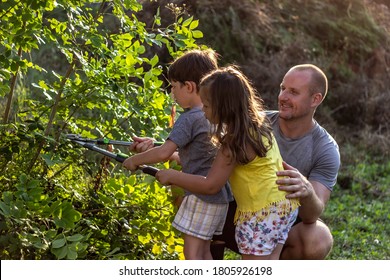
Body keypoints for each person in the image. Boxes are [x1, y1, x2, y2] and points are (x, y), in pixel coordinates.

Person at [155, 66, 300, 260]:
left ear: (223, 107)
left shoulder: (233, 143)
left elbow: (210, 185)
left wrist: (173, 176)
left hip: (260, 213)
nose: (203, 111)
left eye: (206, 106)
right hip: (282, 206)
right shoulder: (258, 127)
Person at [210, 64, 341, 259]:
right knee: (194, 190)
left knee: (318, 239)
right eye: (282, 88)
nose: (283, 97)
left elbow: (312, 215)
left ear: (316, 99)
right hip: (230, 212)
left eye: (294, 92)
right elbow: (208, 146)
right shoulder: (256, 124)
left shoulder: (325, 148)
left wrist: (306, 191)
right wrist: (164, 146)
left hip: (276, 224)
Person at [122, 49, 232, 260]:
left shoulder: (189, 118)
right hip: (221, 198)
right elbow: (196, 156)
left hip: (200, 197)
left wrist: (134, 160)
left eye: (174, 87)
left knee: (192, 254)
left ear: (189, 86)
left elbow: (164, 152)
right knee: (204, 251)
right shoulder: (216, 116)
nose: (172, 93)